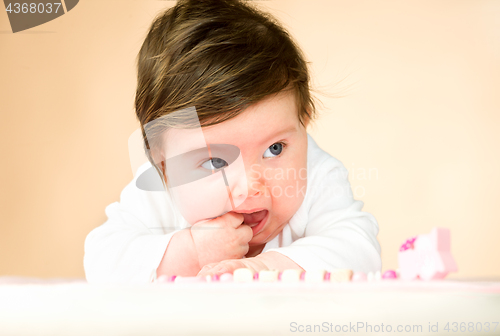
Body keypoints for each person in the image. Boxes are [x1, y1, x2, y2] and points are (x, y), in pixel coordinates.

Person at [83, 0, 381, 284]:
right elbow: (101, 260)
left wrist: (265, 268)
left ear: (304, 119)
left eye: (274, 149)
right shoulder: (159, 190)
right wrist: (190, 252)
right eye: (215, 162)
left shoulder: (316, 174)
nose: (251, 185)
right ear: (163, 162)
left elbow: (359, 249)